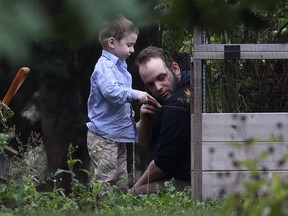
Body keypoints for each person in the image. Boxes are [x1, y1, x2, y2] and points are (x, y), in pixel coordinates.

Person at [86, 15, 155, 191]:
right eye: (129, 45)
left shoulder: (120, 67)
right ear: (112, 43)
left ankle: (119, 206)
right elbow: (112, 92)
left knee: (121, 175)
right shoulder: (104, 67)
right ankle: (101, 207)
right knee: (106, 175)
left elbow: (118, 100)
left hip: (116, 133)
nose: (133, 50)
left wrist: (128, 112)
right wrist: (136, 94)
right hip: (104, 135)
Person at [132, 46, 191, 195]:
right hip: (180, 175)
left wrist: (131, 192)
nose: (158, 88)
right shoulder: (171, 93)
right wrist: (145, 120)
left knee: (138, 192)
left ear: (175, 69)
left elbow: (162, 165)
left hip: (193, 182)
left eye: (161, 78)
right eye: (150, 84)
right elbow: (141, 141)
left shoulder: (178, 103)